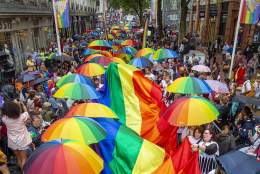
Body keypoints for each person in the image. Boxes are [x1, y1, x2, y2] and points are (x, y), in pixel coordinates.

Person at [1, 101, 32, 170]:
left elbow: (3, 113)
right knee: (24, 159)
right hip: (22, 141)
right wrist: (23, 105)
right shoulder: (21, 117)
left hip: (12, 142)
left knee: (18, 158)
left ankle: (22, 170)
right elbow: (27, 113)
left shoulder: (5, 119)